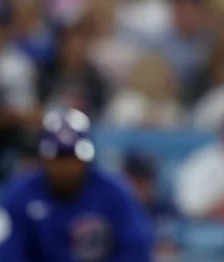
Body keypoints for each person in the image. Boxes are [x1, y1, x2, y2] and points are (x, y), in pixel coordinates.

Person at [0, 108, 152, 261]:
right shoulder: (20, 194)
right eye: (59, 158)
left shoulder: (114, 191)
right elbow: (7, 253)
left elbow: (137, 251)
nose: (67, 167)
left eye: (73, 158)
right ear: (44, 159)